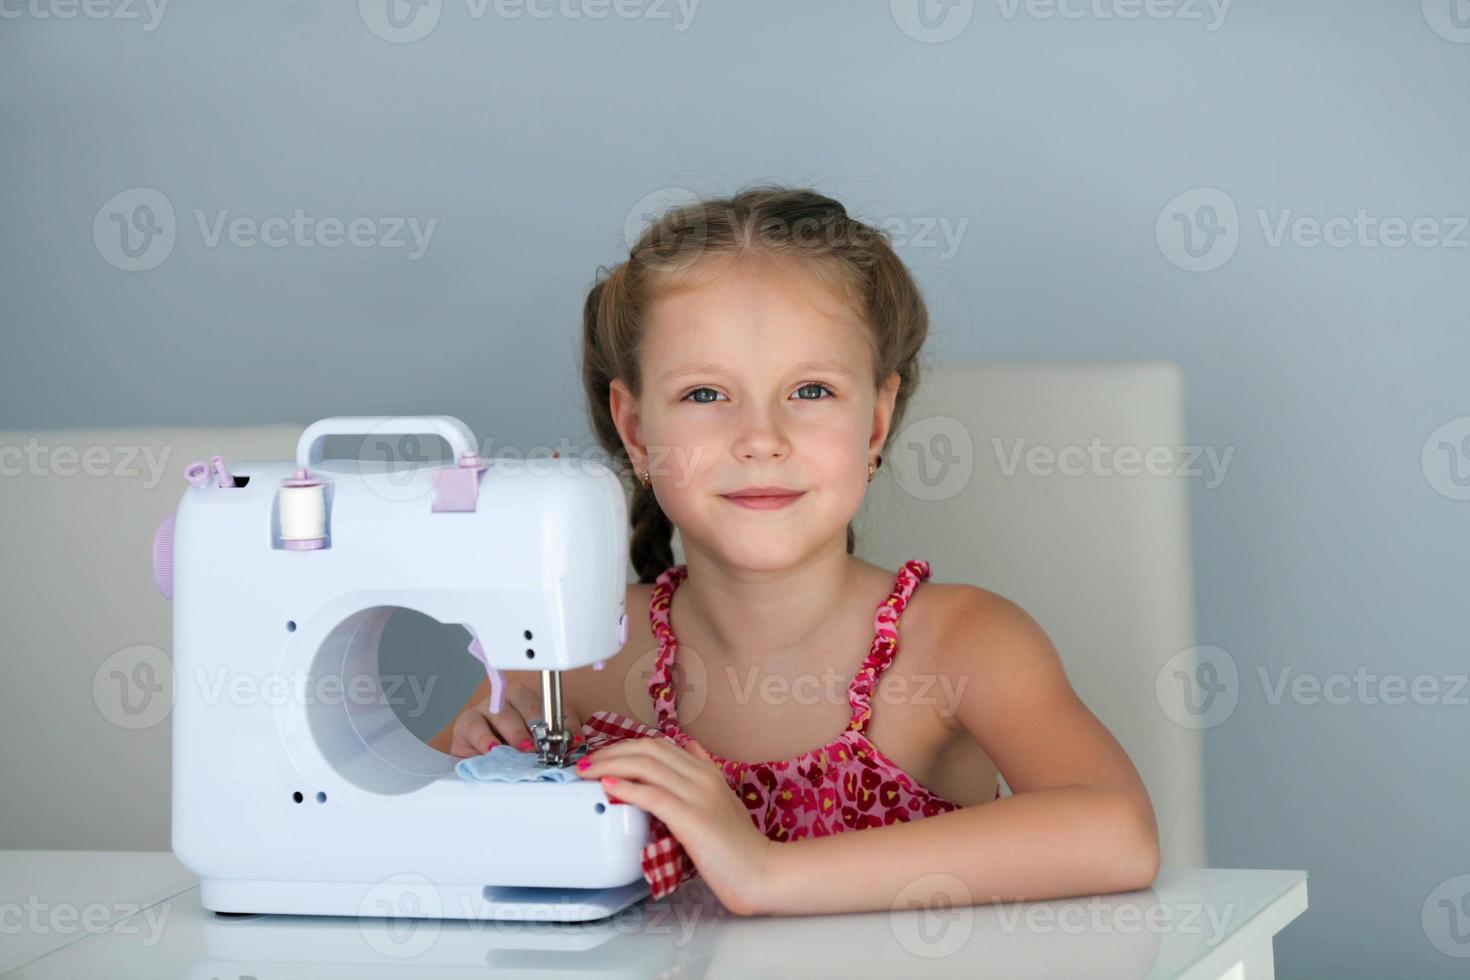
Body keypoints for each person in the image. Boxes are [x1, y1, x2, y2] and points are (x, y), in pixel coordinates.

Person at [430, 185, 1159, 916]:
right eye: (706, 395)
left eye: (810, 390)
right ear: (636, 430)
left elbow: (1117, 831)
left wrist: (766, 872)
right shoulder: (572, 654)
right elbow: (408, 830)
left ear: (873, 424)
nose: (761, 438)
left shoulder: (960, 644)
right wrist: (479, 753)